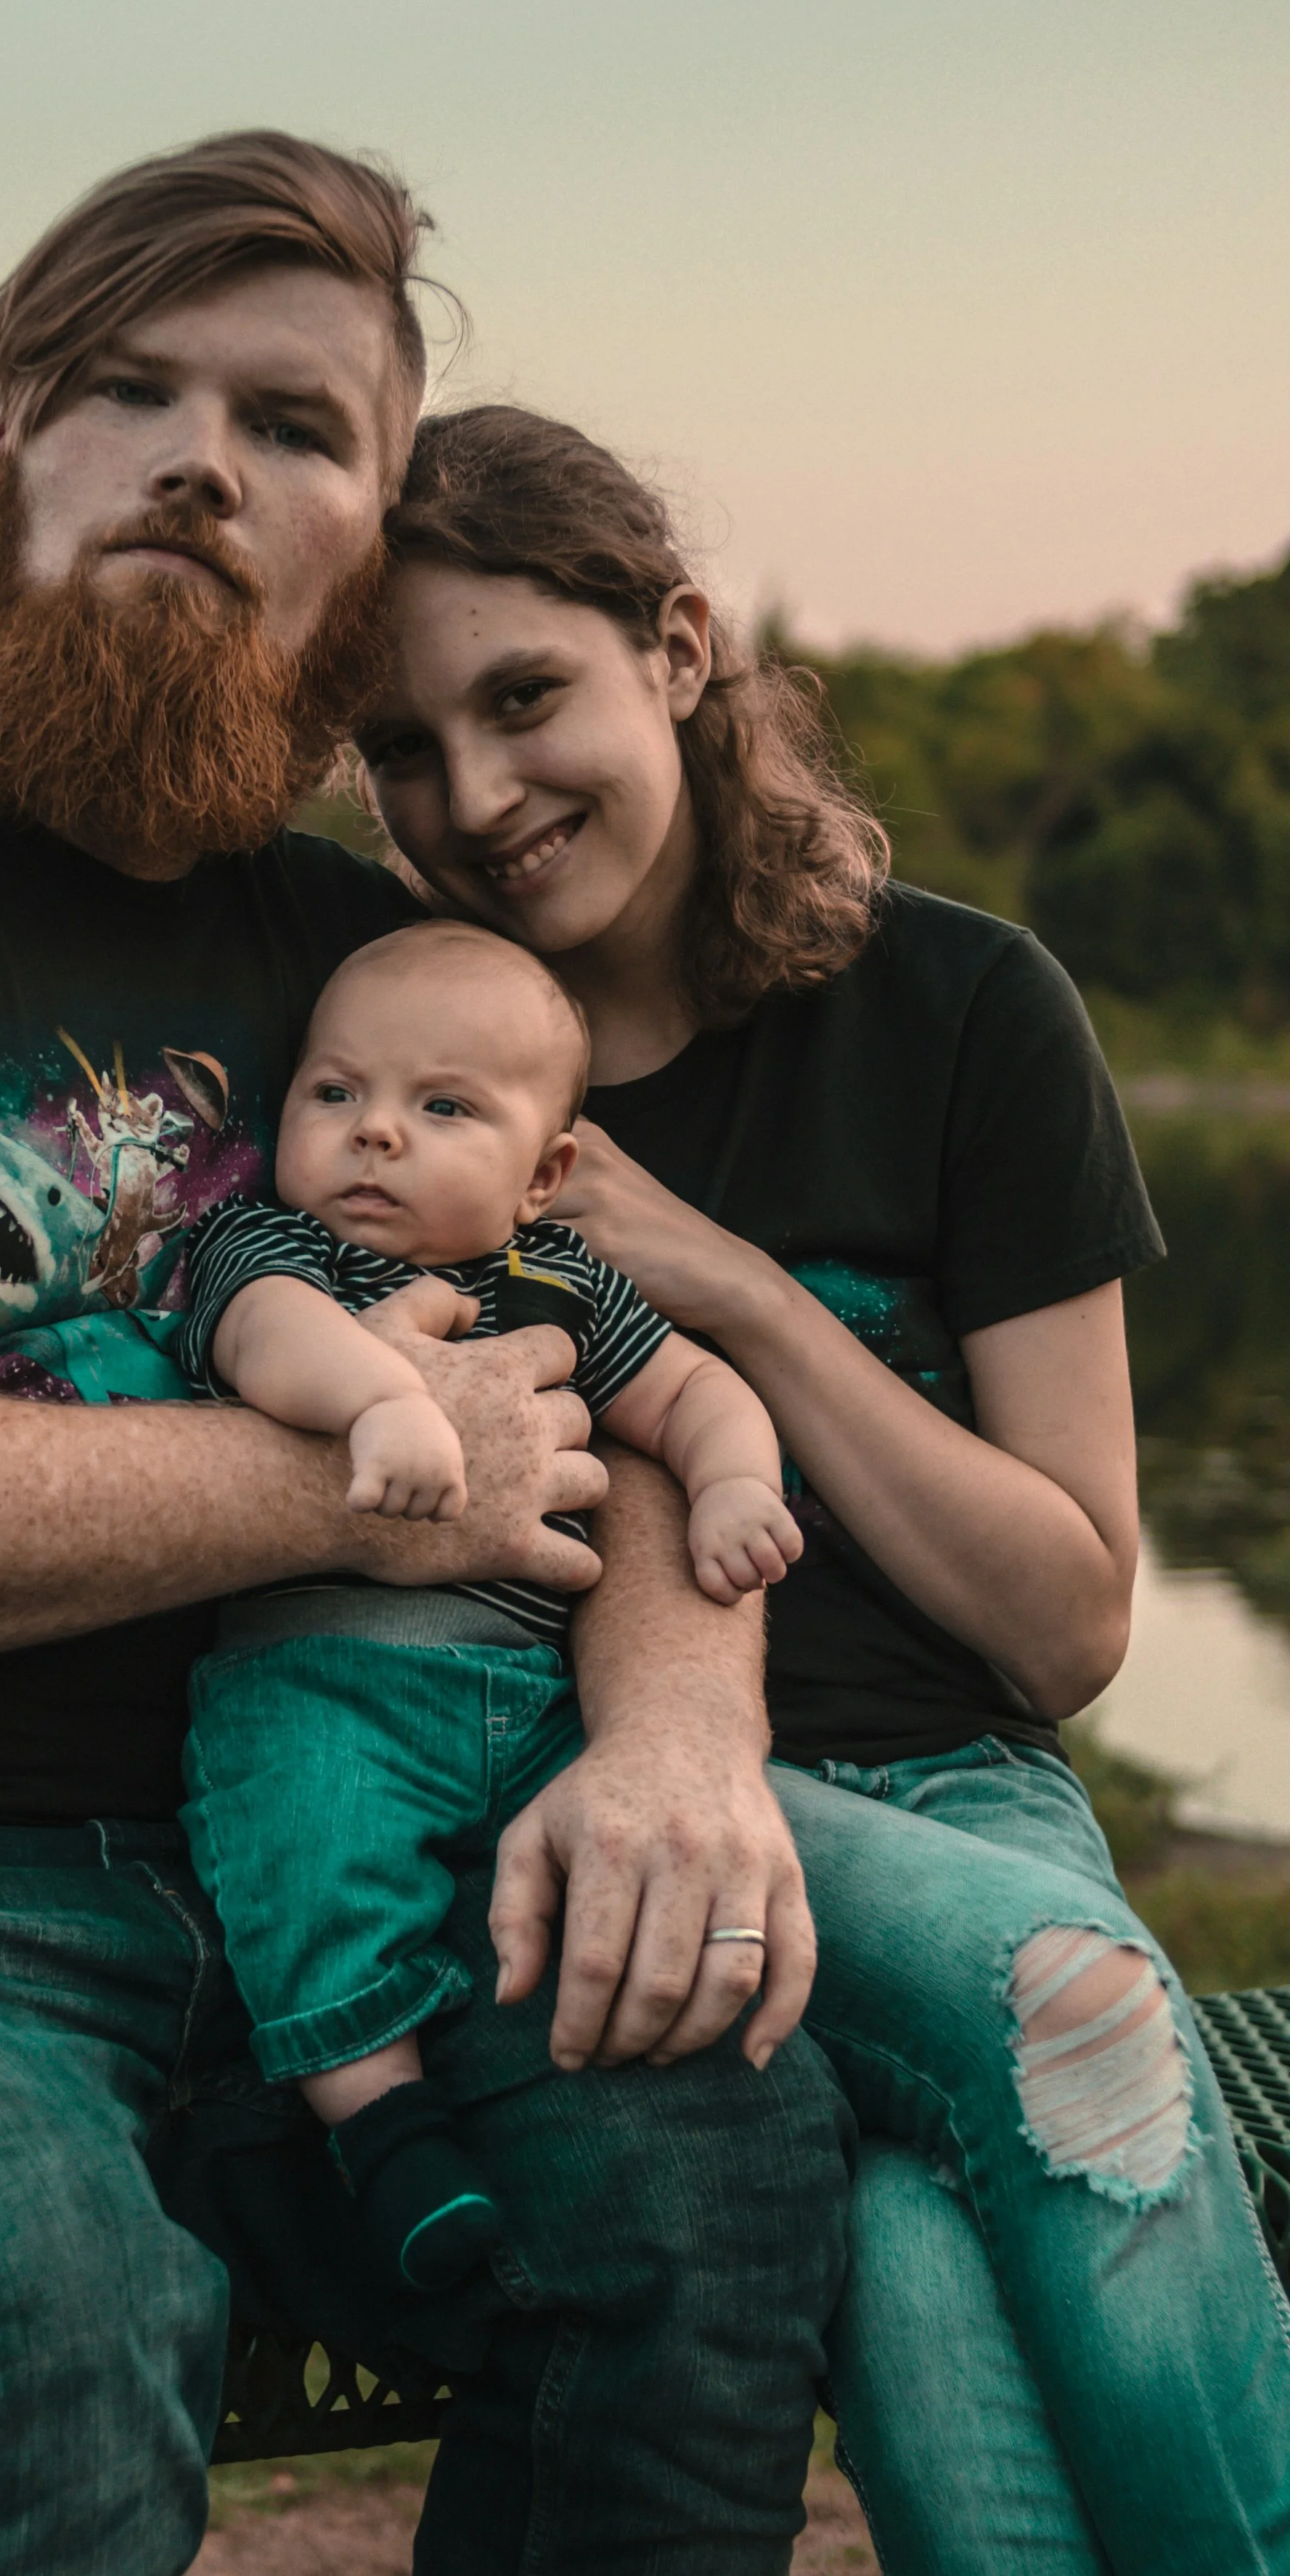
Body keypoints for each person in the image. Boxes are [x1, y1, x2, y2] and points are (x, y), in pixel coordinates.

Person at [0, 138, 852, 2575]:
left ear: (366, 560)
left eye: (303, 427)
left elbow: (606, 1392)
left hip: (298, 1881)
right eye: (126, 388)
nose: (205, 458)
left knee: (711, 2185)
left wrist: (668, 1732)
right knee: (18, 2306)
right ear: (12, 452)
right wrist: (343, 1483)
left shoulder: (375, 972)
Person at [354, 399, 1290, 2575]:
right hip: (587, 1797)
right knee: (1073, 1997)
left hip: (959, 1789)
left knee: (923, 2272)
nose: (476, 801)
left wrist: (747, 1301)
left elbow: (1063, 1625)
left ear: (675, 644)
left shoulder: (963, 1011)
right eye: (403, 747)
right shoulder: (392, 1071)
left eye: (525, 698)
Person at [173, 918, 801, 2290]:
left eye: (440, 1107)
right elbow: (266, 1341)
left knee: (619, 1864)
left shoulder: (564, 1283)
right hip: (322, 1674)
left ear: (546, 1174)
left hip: (541, 1696)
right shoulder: (278, 1245)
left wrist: (734, 1480)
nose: (373, 1135)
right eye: (334, 1094)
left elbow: (690, 1389)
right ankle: (383, 2127)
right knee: (306, 1852)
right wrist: (384, 1401)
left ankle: (592, 2064)